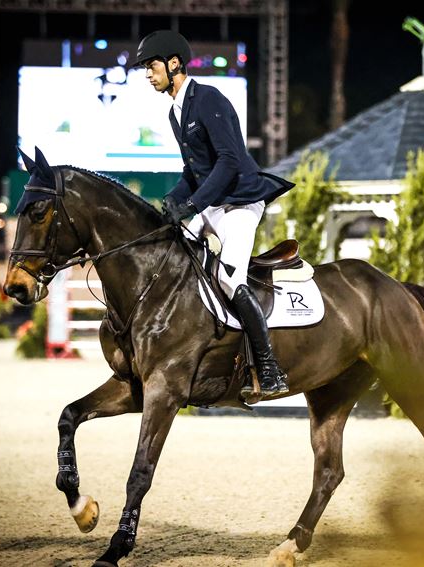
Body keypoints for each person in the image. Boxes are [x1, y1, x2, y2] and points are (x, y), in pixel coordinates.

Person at [133, 30, 294, 398]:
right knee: (168, 253)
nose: (147, 74)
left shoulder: (209, 99)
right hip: (212, 203)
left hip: (239, 202)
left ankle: (268, 368)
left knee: (228, 278)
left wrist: (192, 206)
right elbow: (193, 173)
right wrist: (172, 201)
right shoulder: (176, 112)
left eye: (151, 66)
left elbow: (229, 161)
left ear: (174, 63)